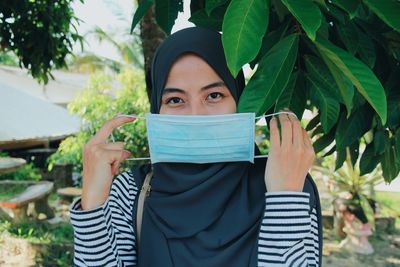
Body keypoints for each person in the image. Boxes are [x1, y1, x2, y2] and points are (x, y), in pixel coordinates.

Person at [70, 27, 322, 267]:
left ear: (240, 99)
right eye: (175, 100)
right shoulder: (131, 191)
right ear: (157, 108)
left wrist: (284, 200)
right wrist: (92, 205)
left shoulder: (288, 182)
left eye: (214, 95)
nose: (195, 117)